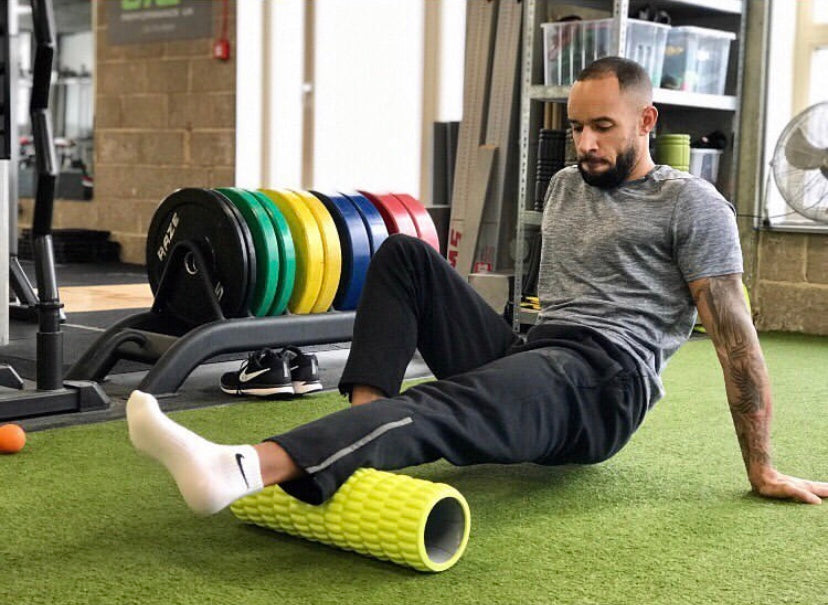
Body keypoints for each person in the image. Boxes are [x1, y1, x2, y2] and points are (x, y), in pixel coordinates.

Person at [127, 57, 827, 516]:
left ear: (647, 122)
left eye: (603, 127)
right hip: (539, 347)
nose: (584, 143)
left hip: (604, 385)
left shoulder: (692, 205)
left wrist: (763, 468)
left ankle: (238, 468)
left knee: (449, 402)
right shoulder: (562, 183)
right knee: (403, 253)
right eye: (577, 126)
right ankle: (370, 436)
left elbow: (737, 341)